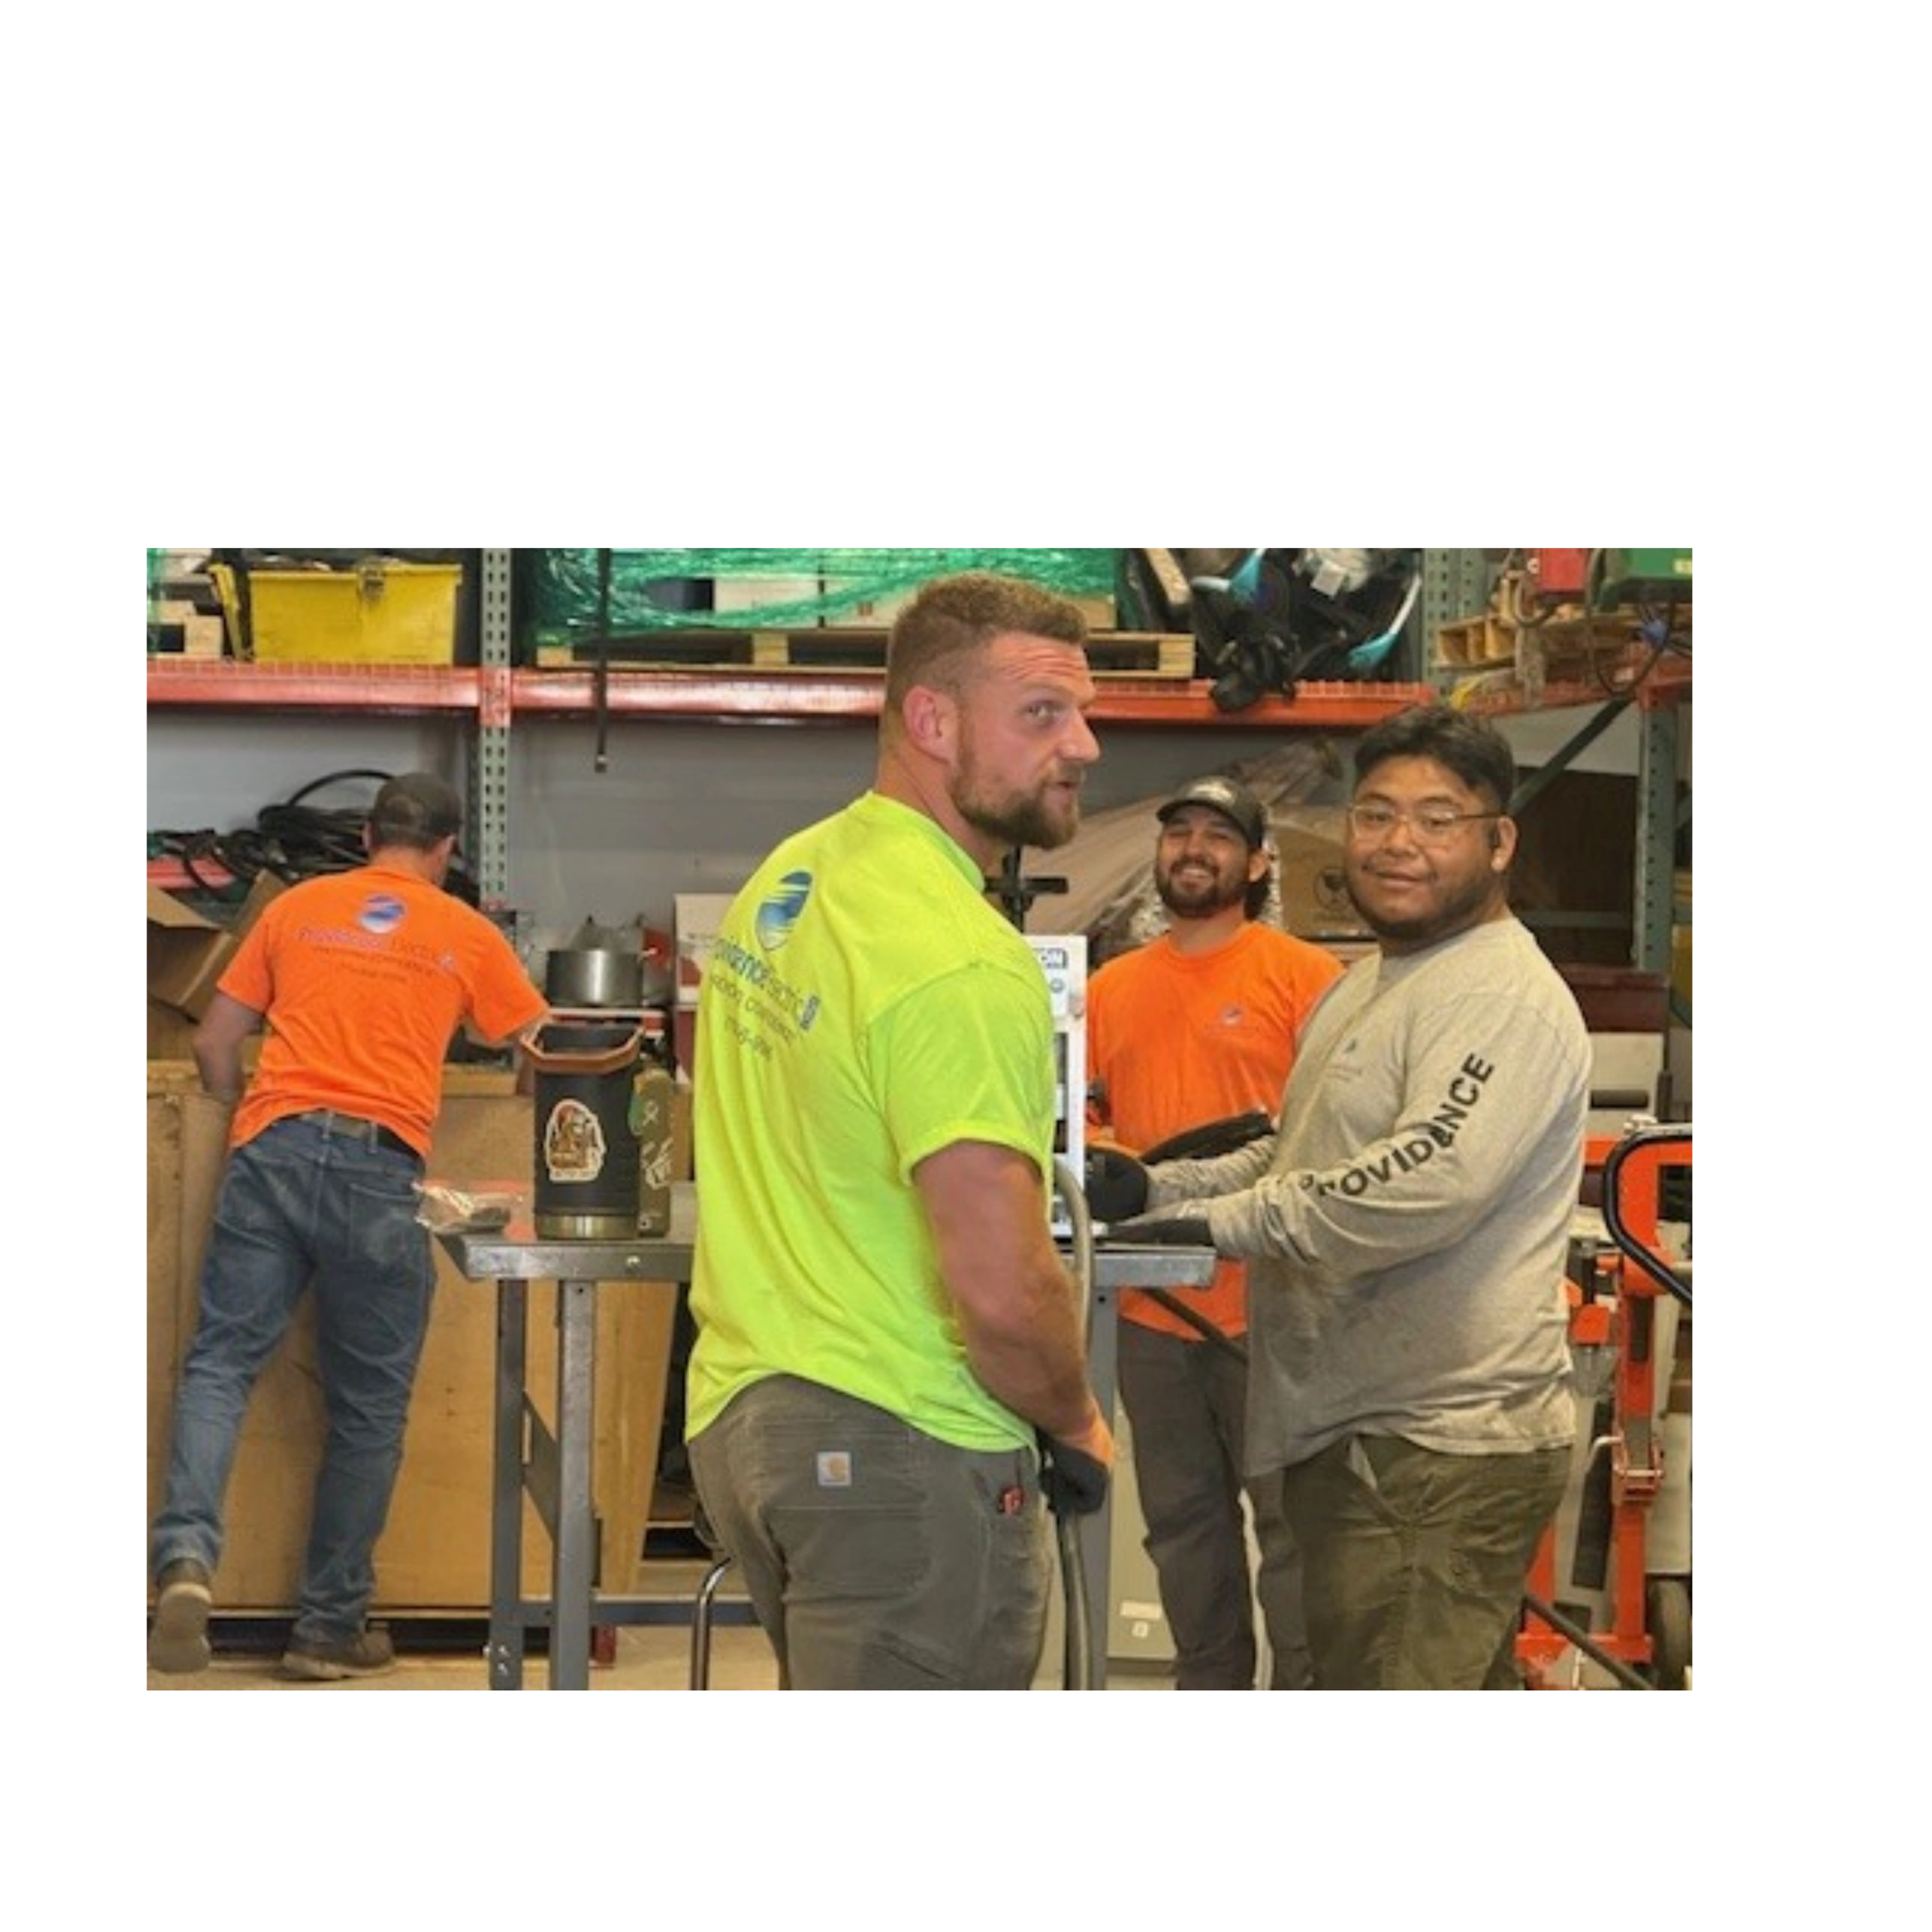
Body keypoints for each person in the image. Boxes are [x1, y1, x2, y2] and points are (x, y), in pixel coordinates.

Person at [685, 571, 1114, 1690]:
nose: (1084, 745)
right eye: (1041, 714)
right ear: (931, 720)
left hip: (751, 1418)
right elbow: (1002, 1288)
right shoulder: (961, 959)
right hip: (898, 1440)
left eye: (1081, 712)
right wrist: (1075, 1417)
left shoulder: (795, 876)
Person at [1104, 703, 1589, 1690]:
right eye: (1375, 815)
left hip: (1434, 1451)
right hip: (1369, 1438)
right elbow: (1300, 1153)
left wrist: (1219, 1227)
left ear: (1499, 842)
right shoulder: (1372, 984)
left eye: (1437, 819)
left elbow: (1422, 1185)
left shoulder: (1494, 994)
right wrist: (1153, 1188)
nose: (1398, 844)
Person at [146, 773, 549, 1681]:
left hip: (274, 1151)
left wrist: (238, 1110)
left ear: (370, 834)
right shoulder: (466, 933)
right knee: (366, 1412)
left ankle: (187, 1563)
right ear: (448, 850)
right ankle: (327, 1629)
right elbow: (542, 1052)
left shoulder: (297, 909)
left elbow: (214, 1045)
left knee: (219, 1365)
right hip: (380, 1171)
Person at [1084, 775, 1343, 1690]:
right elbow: (1083, 1119)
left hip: (1270, 1310)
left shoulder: (1306, 980)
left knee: (1292, 1534)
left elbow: (1326, 1141)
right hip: (1151, 1316)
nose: (1194, 848)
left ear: (1258, 861)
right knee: (1184, 1531)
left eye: (1218, 836)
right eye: (1179, 832)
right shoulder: (1111, 988)